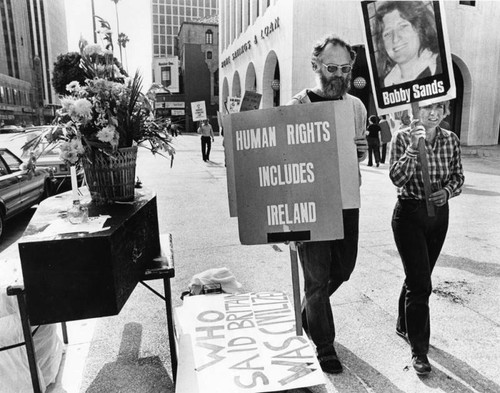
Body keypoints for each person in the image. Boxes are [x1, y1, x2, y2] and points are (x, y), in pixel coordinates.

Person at [287, 34, 368, 374]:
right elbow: (282, 165)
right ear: (315, 65)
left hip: (348, 202)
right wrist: (288, 220)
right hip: (312, 206)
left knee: (343, 270)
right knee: (317, 279)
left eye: (345, 68)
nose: (338, 74)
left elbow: (358, 151)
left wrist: (356, 155)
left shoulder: (356, 107)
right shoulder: (297, 106)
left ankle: (309, 310)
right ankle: (324, 345)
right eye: (331, 67)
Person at [389, 101, 464, 375]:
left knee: (417, 277)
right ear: (416, 110)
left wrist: (447, 191)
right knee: (421, 284)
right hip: (409, 214)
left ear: (446, 112)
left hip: (438, 216)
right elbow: (396, 178)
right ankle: (419, 350)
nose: (433, 113)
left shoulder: (451, 139)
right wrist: (411, 149)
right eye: (427, 107)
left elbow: (458, 176)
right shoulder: (402, 137)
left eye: (440, 108)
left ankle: (403, 323)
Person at [373, 1, 442, 87]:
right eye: (387, 33)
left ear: (420, 28)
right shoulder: (383, 85)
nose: (395, 39)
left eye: (402, 26)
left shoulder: (442, 67)